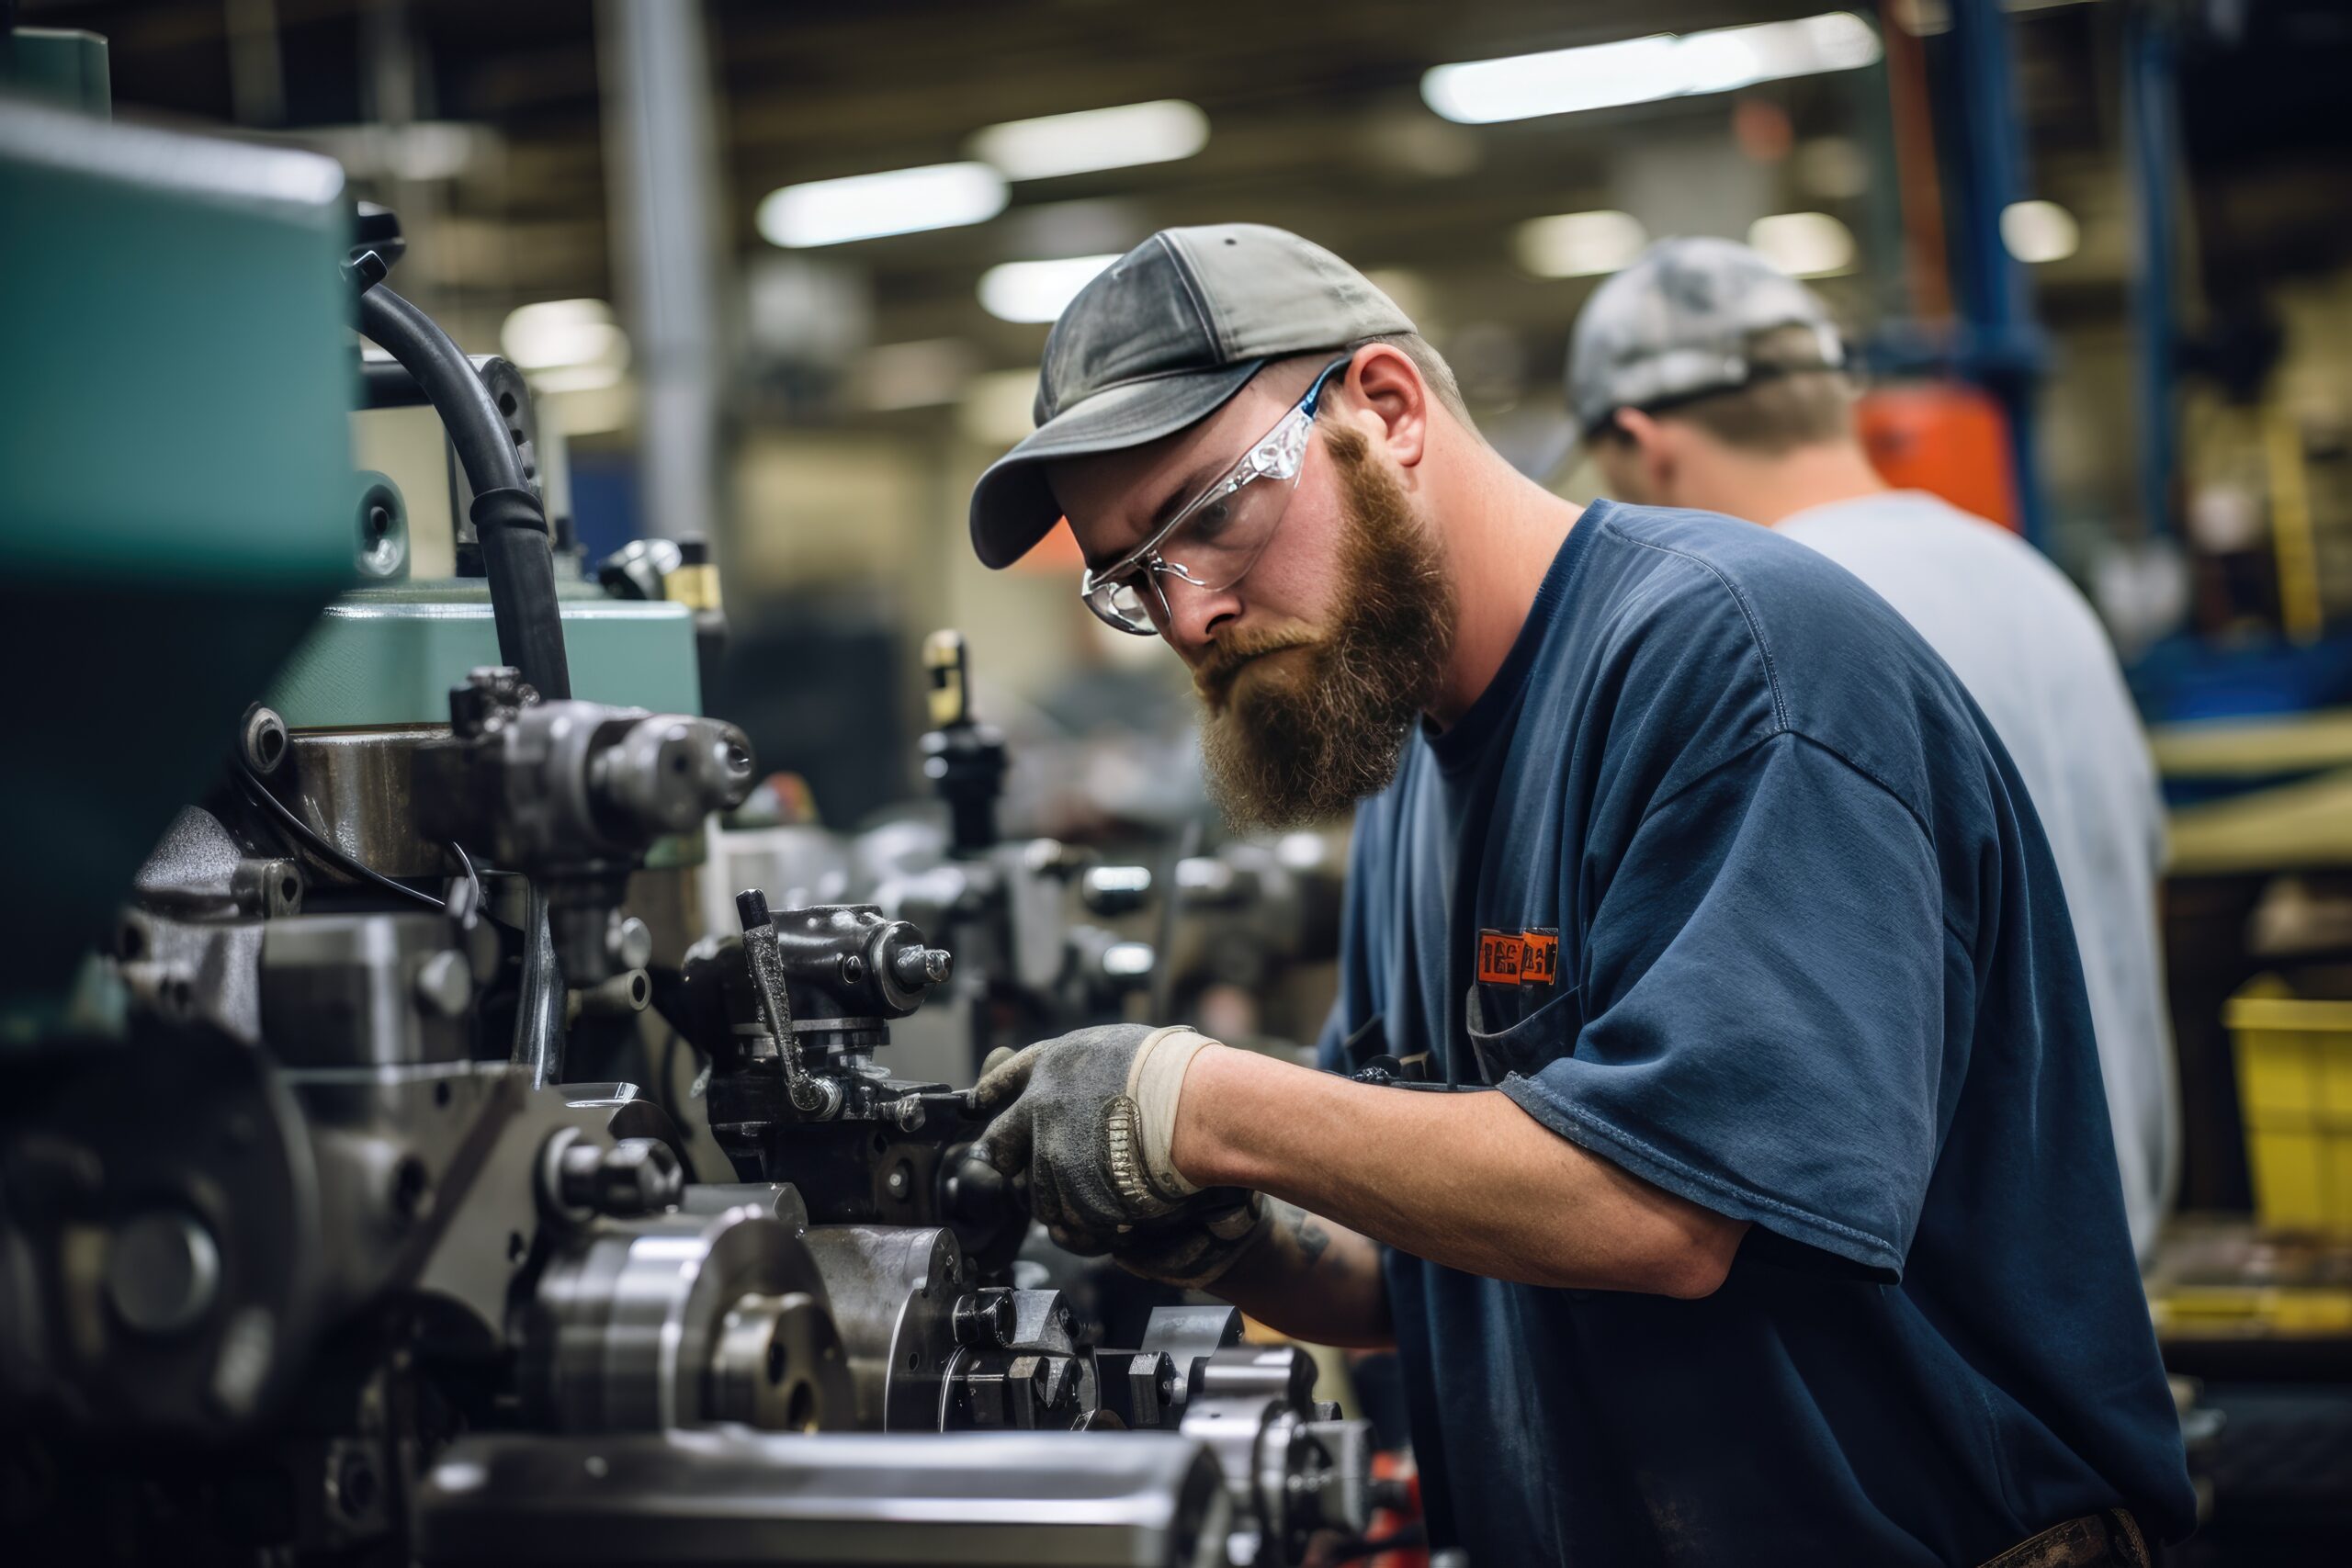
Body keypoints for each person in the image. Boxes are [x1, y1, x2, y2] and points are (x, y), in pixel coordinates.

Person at [963, 223, 2192, 1565]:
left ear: (1386, 408)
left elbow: (1666, 1214)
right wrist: (1227, 1231)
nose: (1189, 614)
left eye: (1209, 515)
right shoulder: (1410, 780)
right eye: (1137, 576)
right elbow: (1427, 1269)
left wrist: (1202, 1103)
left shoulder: (1739, 662)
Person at [1567, 236, 2179, 1262]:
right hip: (2107, 1262)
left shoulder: (1763, 635)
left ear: (1642, 443)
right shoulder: (2031, 582)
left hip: (1952, 1302)